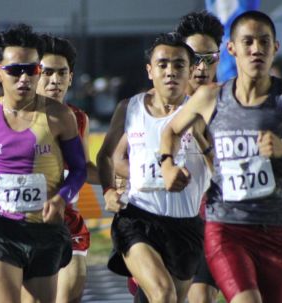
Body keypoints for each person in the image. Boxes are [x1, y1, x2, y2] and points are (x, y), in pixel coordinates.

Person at [160, 11, 282, 303]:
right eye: (247, 42)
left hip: (279, 229)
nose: (256, 49)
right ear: (232, 50)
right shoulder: (211, 98)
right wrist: (167, 165)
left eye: (264, 42)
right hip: (226, 227)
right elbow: (169, 131)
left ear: (275, 48)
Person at [0, 24, 86, 303]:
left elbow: (79, 169)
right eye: (14, 71)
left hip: (45, 230)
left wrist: (62, 199)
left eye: (32, 70)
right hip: (0, 229)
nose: (24, 78)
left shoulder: (60, 116)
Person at [96, 32, 211, 303]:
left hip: (186, 224)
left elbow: (220, 170)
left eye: (179, 65)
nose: (170, 71)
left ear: (191, 70)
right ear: (150, 70)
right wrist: (108, 190)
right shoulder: (129, 109)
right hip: (138, 218)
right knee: (163, 294)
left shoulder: (204, 113)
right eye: (162, 64)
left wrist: (202, 138)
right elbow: (105, 157)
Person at [36, 34, 99, 303]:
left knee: (70, 295)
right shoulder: (10, 116)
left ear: (70, 77)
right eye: (47, 72)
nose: (55, 80)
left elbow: (83, 167)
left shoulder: (79, 118)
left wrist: (120, 177)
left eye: (62, 73)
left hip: (67, 222)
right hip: (22, 224)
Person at [175, 10, 224, 303]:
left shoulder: (229, 105)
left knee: (201, 297)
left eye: (210, 58)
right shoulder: (156, 105)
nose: (202, 67)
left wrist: (201, 137)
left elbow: (228, 172)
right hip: (165, 218)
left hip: (214, 218)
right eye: (194, 58)